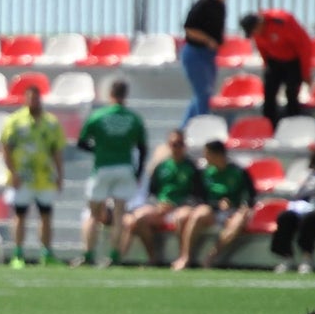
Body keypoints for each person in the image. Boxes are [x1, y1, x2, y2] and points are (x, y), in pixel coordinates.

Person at [73, 79, 147, 267]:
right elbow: (142, 148)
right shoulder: (134, 118)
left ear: (110, 94)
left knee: (93, 214)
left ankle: (88, 254)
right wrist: (138, 173)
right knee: (119, 215)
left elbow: (81, 142)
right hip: (124, 167)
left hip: (103, 167)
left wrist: (98, 150)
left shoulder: (98, 116)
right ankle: (114, 256)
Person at [0, 84, 65, 268]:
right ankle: (18, 254)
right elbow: (5, 148)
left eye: (36, 98)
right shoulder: (15, 121)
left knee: (46, 215)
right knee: (20, 214)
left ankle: (46, 253)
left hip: (44, 177)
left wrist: (60, 175)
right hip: (23, 176)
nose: (33, 101)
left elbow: (57, 150)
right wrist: (13, 173)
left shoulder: (51, 123)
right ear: (25, 99)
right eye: (30, 98)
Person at [119, 129, 202, 266]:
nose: (177, 148)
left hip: (182, 207)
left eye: (180, 144)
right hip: (162, 207)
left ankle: (183, 257)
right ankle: (153, 257)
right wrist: (158, 205)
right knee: (139, 218)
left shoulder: (192, 167)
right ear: (168, 145)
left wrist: (179, 204)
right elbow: (152, 193)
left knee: (181, 217)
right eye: (174, 144)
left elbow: (198, 195)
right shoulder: (161, 167)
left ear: (184, 145)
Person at [170, 139, 256, 271]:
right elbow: (198, 198)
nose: (204, 157)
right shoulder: (204, 173)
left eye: (207, 154)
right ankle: (185, 257)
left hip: (233, 211)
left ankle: (211, 257)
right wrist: (216, 204)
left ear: (217, 155)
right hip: (212, 210)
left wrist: (242, 206)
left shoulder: (239, 172)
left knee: (239, 221)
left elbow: (250, 196)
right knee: (199, 213)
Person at [270, 140, 315, 273]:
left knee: (311, 218)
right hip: (306, 205)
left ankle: (307, 257)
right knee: (286, 217)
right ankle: (286, 257)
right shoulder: (310, 174)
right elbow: (298, 193)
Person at [240, 9, 313, 126]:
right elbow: (262, 49)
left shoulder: (283, 22)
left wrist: (305, 73)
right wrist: (266, 66)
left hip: (293, 61)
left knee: (291, 92)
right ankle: (269, 126)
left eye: (254, 30)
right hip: (274, 61)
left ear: (259, 24)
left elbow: (304, 46)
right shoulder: (257, 34)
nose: (254, 34)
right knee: (269, 93)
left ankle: (293, 125)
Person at [179, 0, 232, 127]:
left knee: (203, 94)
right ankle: (201, 126)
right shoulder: (203, 4)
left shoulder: (220, 6)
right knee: (203, 94)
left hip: (210, 55)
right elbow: (189, 29)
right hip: (195, 53)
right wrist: (207, 40)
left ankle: (186, 127)